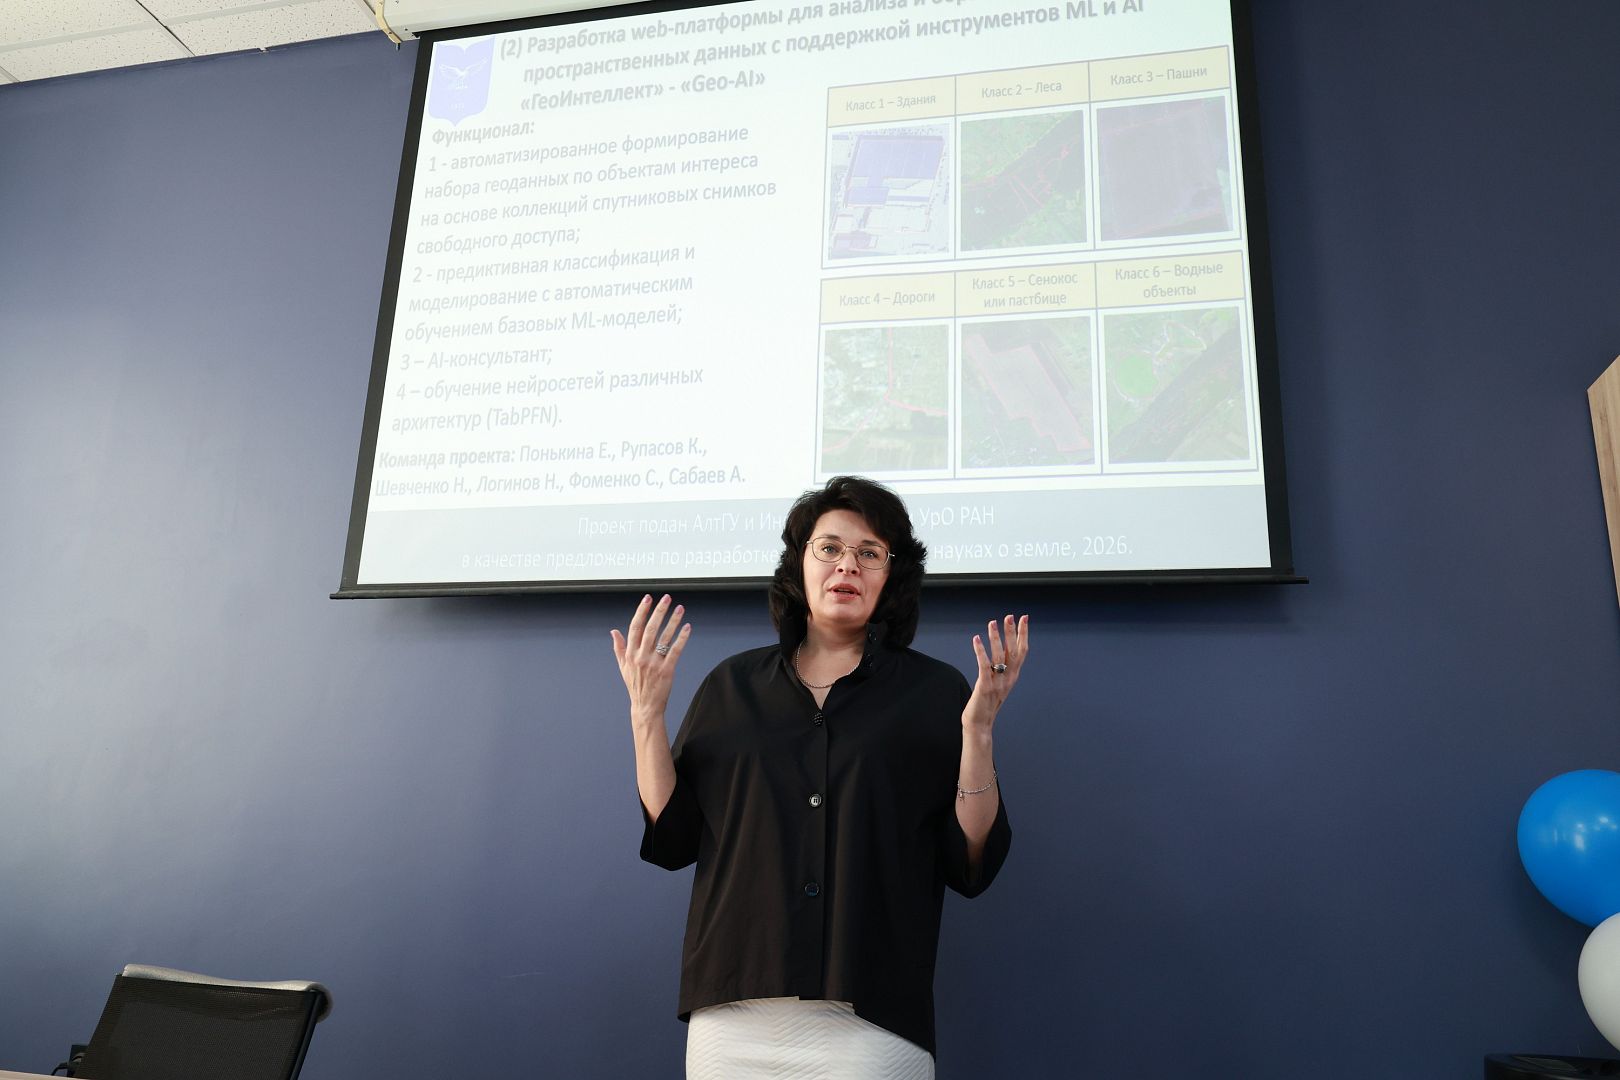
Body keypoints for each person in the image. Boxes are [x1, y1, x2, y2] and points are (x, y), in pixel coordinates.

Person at [610, 476, 1028, 1079]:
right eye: (829, 548)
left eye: (869, 553)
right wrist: (646, 716)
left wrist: (979, 733)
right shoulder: (732, 686)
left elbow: (970, 859)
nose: (846, 565)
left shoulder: (936, 693)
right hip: (732, 1012)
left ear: (893, 575)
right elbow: (673, 837)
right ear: (799, 564)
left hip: (872, 1016)